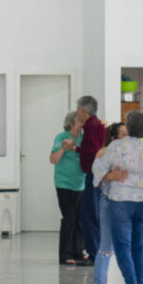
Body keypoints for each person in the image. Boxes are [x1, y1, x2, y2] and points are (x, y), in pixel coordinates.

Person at [95, 111, 143, 284]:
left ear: (128, 128)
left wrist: (110, 176)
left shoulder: (116, 146)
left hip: (120, 200)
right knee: (139, 245)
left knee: (122, 246)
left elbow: (97, 170)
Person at [88, 121, 127, 284]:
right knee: (106, 245)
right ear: (113, 138)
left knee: (130, 247)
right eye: (123, 135)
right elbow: (97, 178)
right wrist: (111, 176)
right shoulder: (104, 153)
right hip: (108, 202)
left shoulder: (132, 152)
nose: (127, 139)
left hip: (128, 202)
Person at [50, 112, 87, 265]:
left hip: (81, 184)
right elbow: (53, 159)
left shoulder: (84, 138)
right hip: (64, 184)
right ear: (72, 123)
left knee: (80, 219)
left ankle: (78, 251)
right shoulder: (61, 137)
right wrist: (64, 148)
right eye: (80, 121)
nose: (82, 124)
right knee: (69, 218)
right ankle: (65, 254)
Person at [74, 96, 107, 262]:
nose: (77, 112)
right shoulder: (94, 124)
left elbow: (94, 151)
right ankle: (95, 251)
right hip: (95, 174)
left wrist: (76, 149)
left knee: (89, 215)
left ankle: (95, 253)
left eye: (78, 109)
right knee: (92, 214)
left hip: (93, 174)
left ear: (84, 110)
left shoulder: (92, 126)